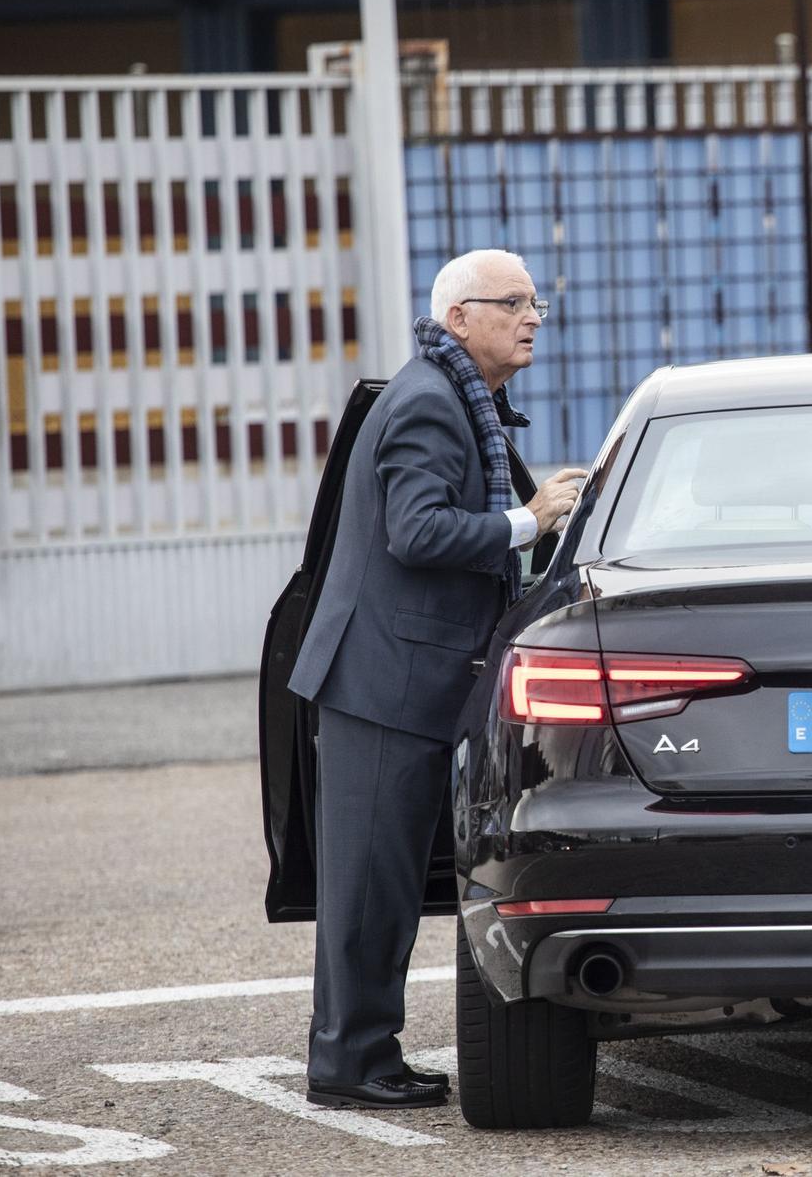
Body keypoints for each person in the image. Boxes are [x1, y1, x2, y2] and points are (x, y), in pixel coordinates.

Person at [287, 248, 587, 1108]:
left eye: (536, 302)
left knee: (376, 885)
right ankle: (350, 1064)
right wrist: (523, 519)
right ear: (459, 318)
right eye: (513, 303)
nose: (532, 316)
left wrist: (530, 521)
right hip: (384, 684)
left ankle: (360, 1053)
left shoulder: (460, 398)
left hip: (399, 680)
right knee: (368, 889)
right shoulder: (429, 403)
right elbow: (417, 532)